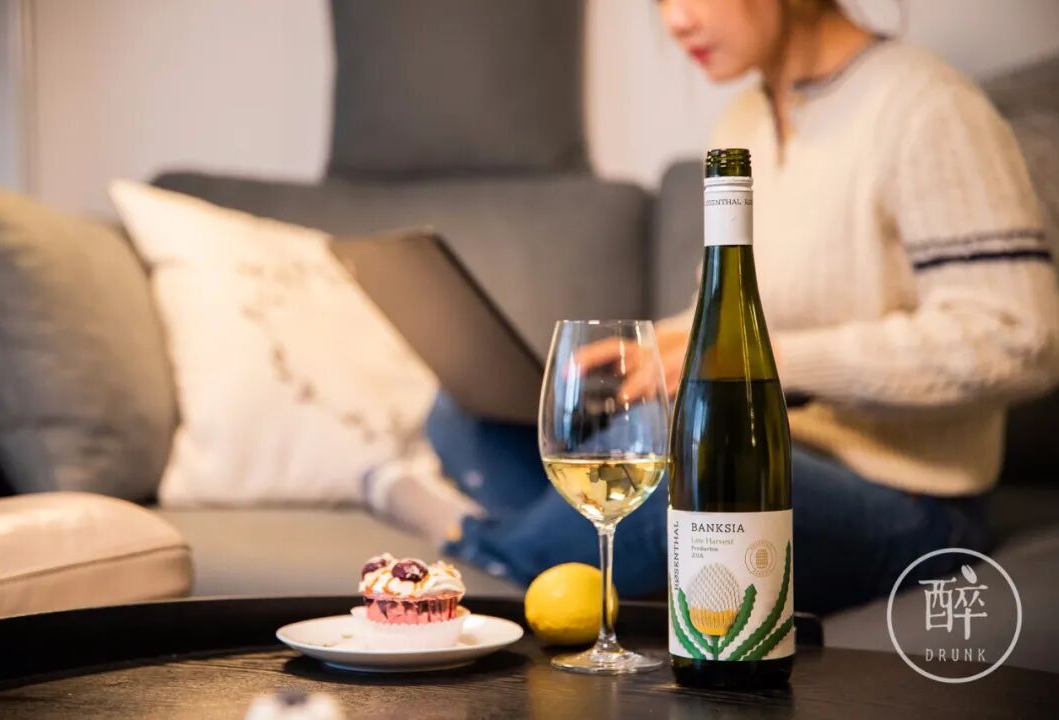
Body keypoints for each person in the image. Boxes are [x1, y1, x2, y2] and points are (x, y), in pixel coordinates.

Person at [366, 0, 1059, 614]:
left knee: (672, 483)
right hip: (743, 442)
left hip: (903, 503)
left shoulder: (930, 108)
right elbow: (724, 313)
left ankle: (476, 544)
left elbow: (1019, 337)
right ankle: (554, 543)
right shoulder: (745, 120)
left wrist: (771, 362)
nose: (675, 20)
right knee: (471, 413)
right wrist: (654, 352)